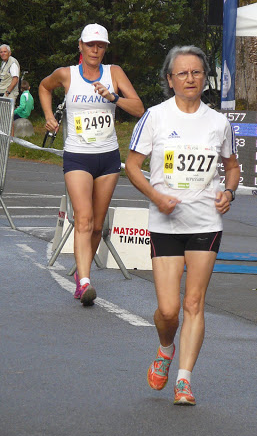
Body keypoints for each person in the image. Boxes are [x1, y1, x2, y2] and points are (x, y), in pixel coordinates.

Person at [125, 45, 240, 406]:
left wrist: (230, 192)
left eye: (196, 72)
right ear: (169, 79)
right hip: (165, 222)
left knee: (194, 302)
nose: (190, 79)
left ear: (205, 77)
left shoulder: (218, 122)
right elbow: (131, 166)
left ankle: (184, 380)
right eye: (182, 73)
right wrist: (157, 197)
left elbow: (232, 168)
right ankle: (164, 348)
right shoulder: (156, 117)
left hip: (206, 221)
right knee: (169, 310)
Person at [39, 23, 144, 306]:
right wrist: (49, 116)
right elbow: (43, 87)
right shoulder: (66, 74)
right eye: (90, 45)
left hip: (108, 157)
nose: (95, 50)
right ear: (81, 46)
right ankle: (84, 281)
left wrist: (113, 97)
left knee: (97, 225)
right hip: (77, 156)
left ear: (105, 48)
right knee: (83, 218)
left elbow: (139, 108)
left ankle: (81, 274)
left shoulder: (114, 73)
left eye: (100, 46)